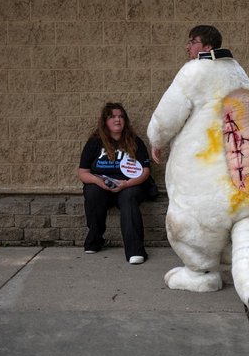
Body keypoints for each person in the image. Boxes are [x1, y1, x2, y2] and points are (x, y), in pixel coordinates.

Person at [78, 103, 151, 264]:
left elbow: (145, 172)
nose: (117, 119)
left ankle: (135, 251)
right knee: (92, 192)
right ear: (105, 121)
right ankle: (94, 241)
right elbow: (83, 173)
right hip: (102, 186)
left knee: (129, 197)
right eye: (112, 116)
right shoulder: (95, 142)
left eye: (121, 116)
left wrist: (126, 184)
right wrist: (99, 181)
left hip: (128, 185)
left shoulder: (135, 141)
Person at [151, 24, 224, 164]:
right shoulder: (235, 71)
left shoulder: (193, 70)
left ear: (208, 47)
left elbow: (171, 110)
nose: (187, 46)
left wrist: (157, 139)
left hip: (198, 152)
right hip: (231, 153)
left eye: (193, 42)